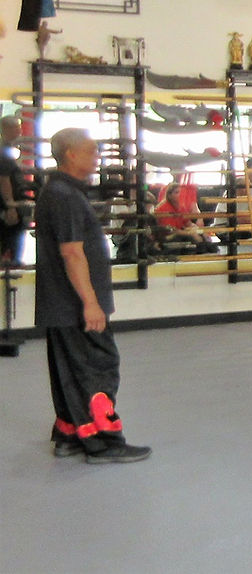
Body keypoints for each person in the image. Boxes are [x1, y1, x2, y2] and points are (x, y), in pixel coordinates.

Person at [34, 128, 151, 463]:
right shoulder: (65, 196)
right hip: (75, 305)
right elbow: (72, 253)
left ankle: (70, 433)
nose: (96, 156)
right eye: (91, 150)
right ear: (71, 154)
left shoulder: (59, 191)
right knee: (98, 366)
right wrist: (90, 302)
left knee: (71, 370)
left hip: (62, 305)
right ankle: (103, 442)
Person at [154, 182, 218, 254]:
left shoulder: (180, 206)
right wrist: (190, 233)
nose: (180, 195)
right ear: (169, 195)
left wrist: (198, 229)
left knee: (201, 233)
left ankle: (209, 253)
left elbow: (188, 222)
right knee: (193, 236)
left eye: (181, 192)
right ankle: (201, 254)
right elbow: (171, 230)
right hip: (167, 236)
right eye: (177, 192)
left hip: (178, 231)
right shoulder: (164, 208)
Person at [0, 114, 30, 263]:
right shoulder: (3, 152)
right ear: (6, 129)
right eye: (16, 128)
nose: (20, 131)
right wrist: (10, 206)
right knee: (10, 248)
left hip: (13, 206)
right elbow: (4, 180)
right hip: (7, 209)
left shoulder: (10, 150)